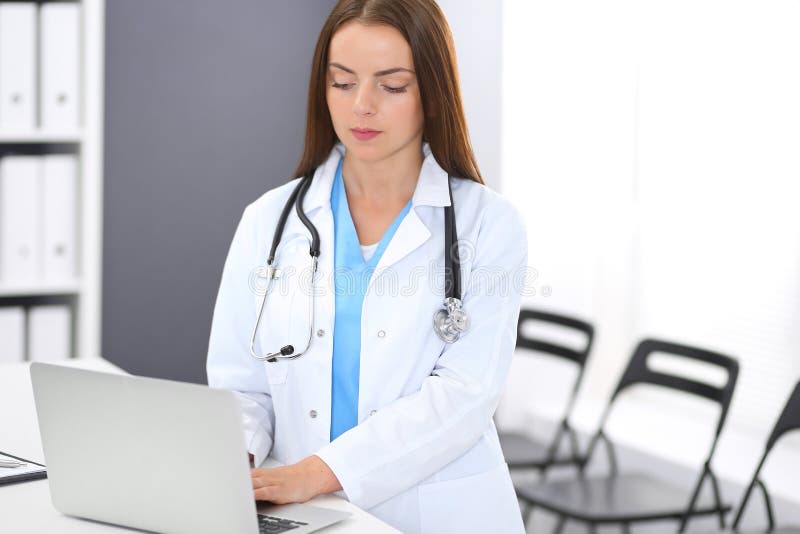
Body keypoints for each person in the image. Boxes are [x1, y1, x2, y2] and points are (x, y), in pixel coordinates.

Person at [206, 0, 528, 532]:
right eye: (342, 82)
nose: (362, 106)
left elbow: (463, 396)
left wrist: (320, 472)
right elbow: (241, 383)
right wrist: (236, 455)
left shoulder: (487, 225)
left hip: (433, 514)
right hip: (297, 509)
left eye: (392, 85)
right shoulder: (269, 220)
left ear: (433, 91)